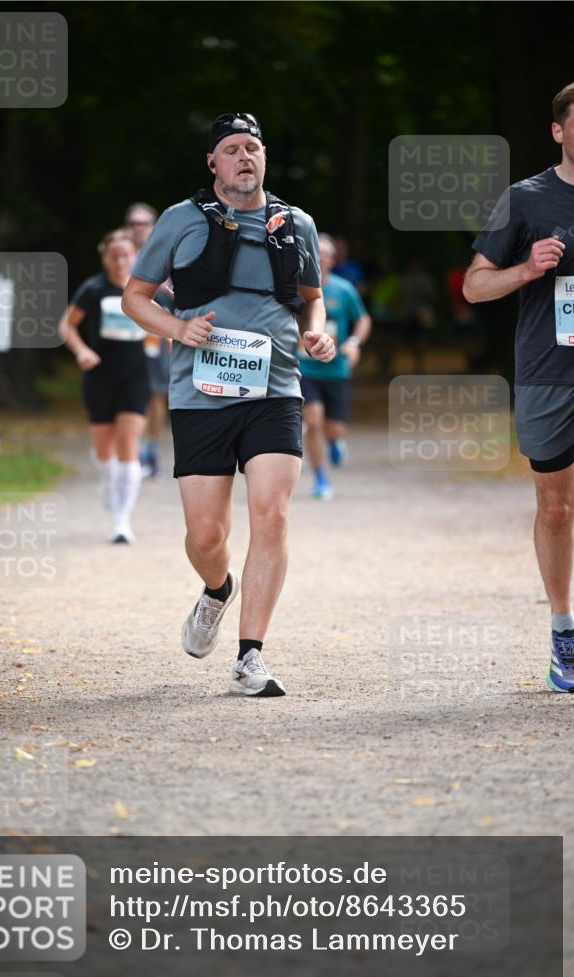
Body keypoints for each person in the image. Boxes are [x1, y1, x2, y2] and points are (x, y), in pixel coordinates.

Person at [121, 112, 334, 696]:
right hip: (200, 393)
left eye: (254, 148)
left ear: (265, 159)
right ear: (213, 163)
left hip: (277, 387)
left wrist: (319, 330)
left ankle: (250, 656)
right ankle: (217, 590)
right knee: (207, 536)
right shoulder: (180, 221)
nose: (246, 157)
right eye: (233, 149)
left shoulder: (297, 225)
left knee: (272, 514)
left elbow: (312, 299)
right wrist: (176, 330)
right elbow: (134, 299)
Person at [463, 80, 574, 693]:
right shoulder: (525, 198)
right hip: (549, 371)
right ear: (559, 131)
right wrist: (528, 267)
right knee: (557, 507)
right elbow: (474, 287)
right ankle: (563, 632)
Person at [59, 228, 156, 543]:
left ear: (135, 257)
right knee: (104, 452)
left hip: (136, 377)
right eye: (114, 256)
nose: (120, 261)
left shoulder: (144, 291)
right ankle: (107, 477)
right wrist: (82, 350)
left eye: (126, 255)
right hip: (99, 377)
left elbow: (166, 322)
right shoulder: (93, 289)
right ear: (105, 258)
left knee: (128, 443)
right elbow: (67, 325)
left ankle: (121, 520)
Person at [300, 232, 372, 499]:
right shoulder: (295, 287)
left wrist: (353, 343)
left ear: (332, 259)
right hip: (306, 368)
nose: (321, 258)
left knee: (333, 428)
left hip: (336, 369)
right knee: (313, 420)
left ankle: (335, 441)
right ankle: (320, 477)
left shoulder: (343, 289)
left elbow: (363, 319)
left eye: (326, 253)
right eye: (316, 252)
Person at [125, 201, 170, 478]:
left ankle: (151, 449)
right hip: (127, 336)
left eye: (143, 223)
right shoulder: (122, 253)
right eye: (133, 223)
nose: (138, 228)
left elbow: (171, 298)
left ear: (152, 227)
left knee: (155, 395)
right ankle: (135, 450)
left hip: (156, 337)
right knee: (131, 394)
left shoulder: (164, 253)